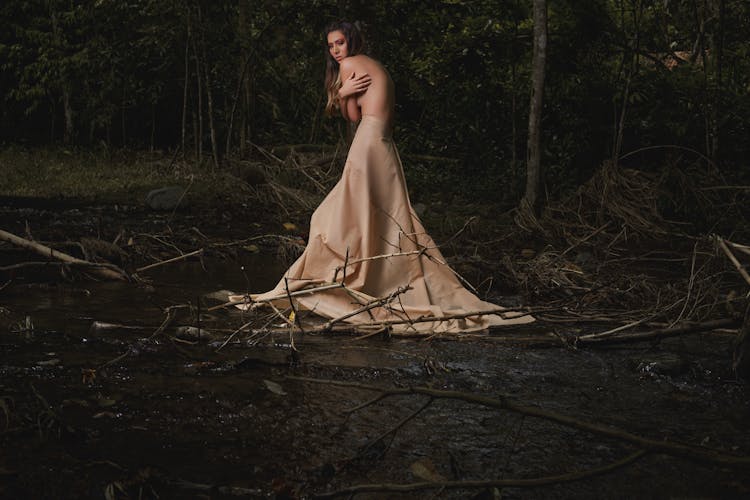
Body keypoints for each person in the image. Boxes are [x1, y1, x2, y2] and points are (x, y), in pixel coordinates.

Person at [236, 21, 534, 333]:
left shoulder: (350, 65)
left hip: (367, 142)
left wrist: (341, 92)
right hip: (384, 144)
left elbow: (352, 116)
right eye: (331, 46)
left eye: (340, 43)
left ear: (352, 41)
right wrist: (344, 93)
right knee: (385, 215)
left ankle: (351, 276)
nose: (336, 51)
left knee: (340, 215)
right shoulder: (375, 65)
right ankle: (381, 274)